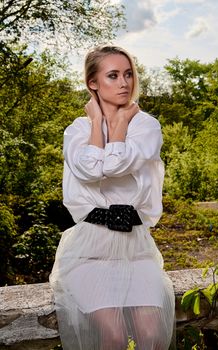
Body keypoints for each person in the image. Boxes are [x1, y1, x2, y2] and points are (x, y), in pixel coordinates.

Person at [50, 45, 175, 350]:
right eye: (113, 75)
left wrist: (119, 124)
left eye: (129, 74)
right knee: (113, 338)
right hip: (89, 250)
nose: (124, 83)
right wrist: (98, 123)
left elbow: (115, 164)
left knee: (152, 336)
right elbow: (92, 171)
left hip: (135, 248)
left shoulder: (146, 126)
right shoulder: (77, 130)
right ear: (93, 83)